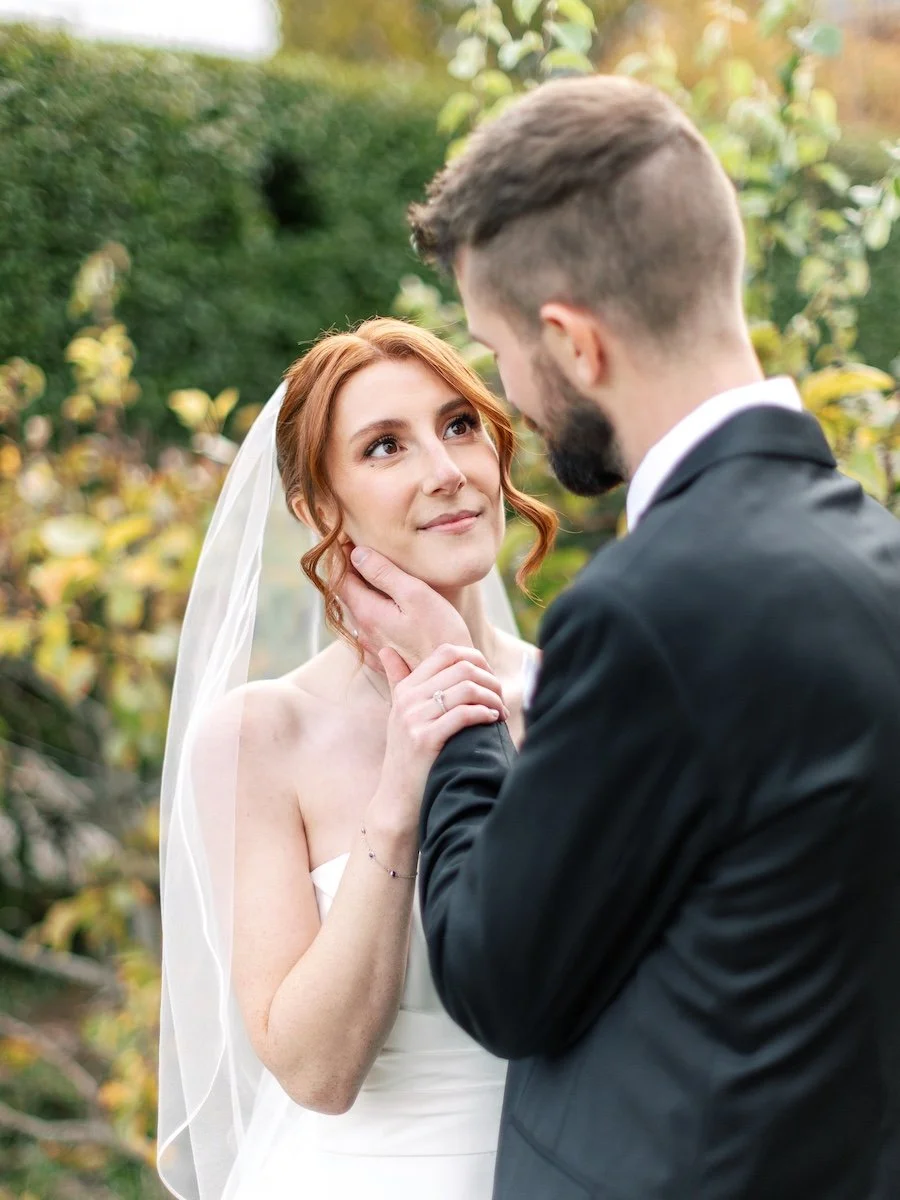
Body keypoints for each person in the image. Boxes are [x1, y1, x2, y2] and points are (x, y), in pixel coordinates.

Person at [342, 76, 900, 1198]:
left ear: (572, 342)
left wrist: (456, 709)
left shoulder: (645, 609)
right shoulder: (877, 556)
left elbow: (499, 976)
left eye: (497, 351)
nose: (509, 397)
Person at [155, 318, 557, 1200]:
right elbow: (317, 1073)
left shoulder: (583, 697)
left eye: (459, 426)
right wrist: (401, 790)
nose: (447, 470)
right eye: (385, 447)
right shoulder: (260, 738)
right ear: (319, 510)